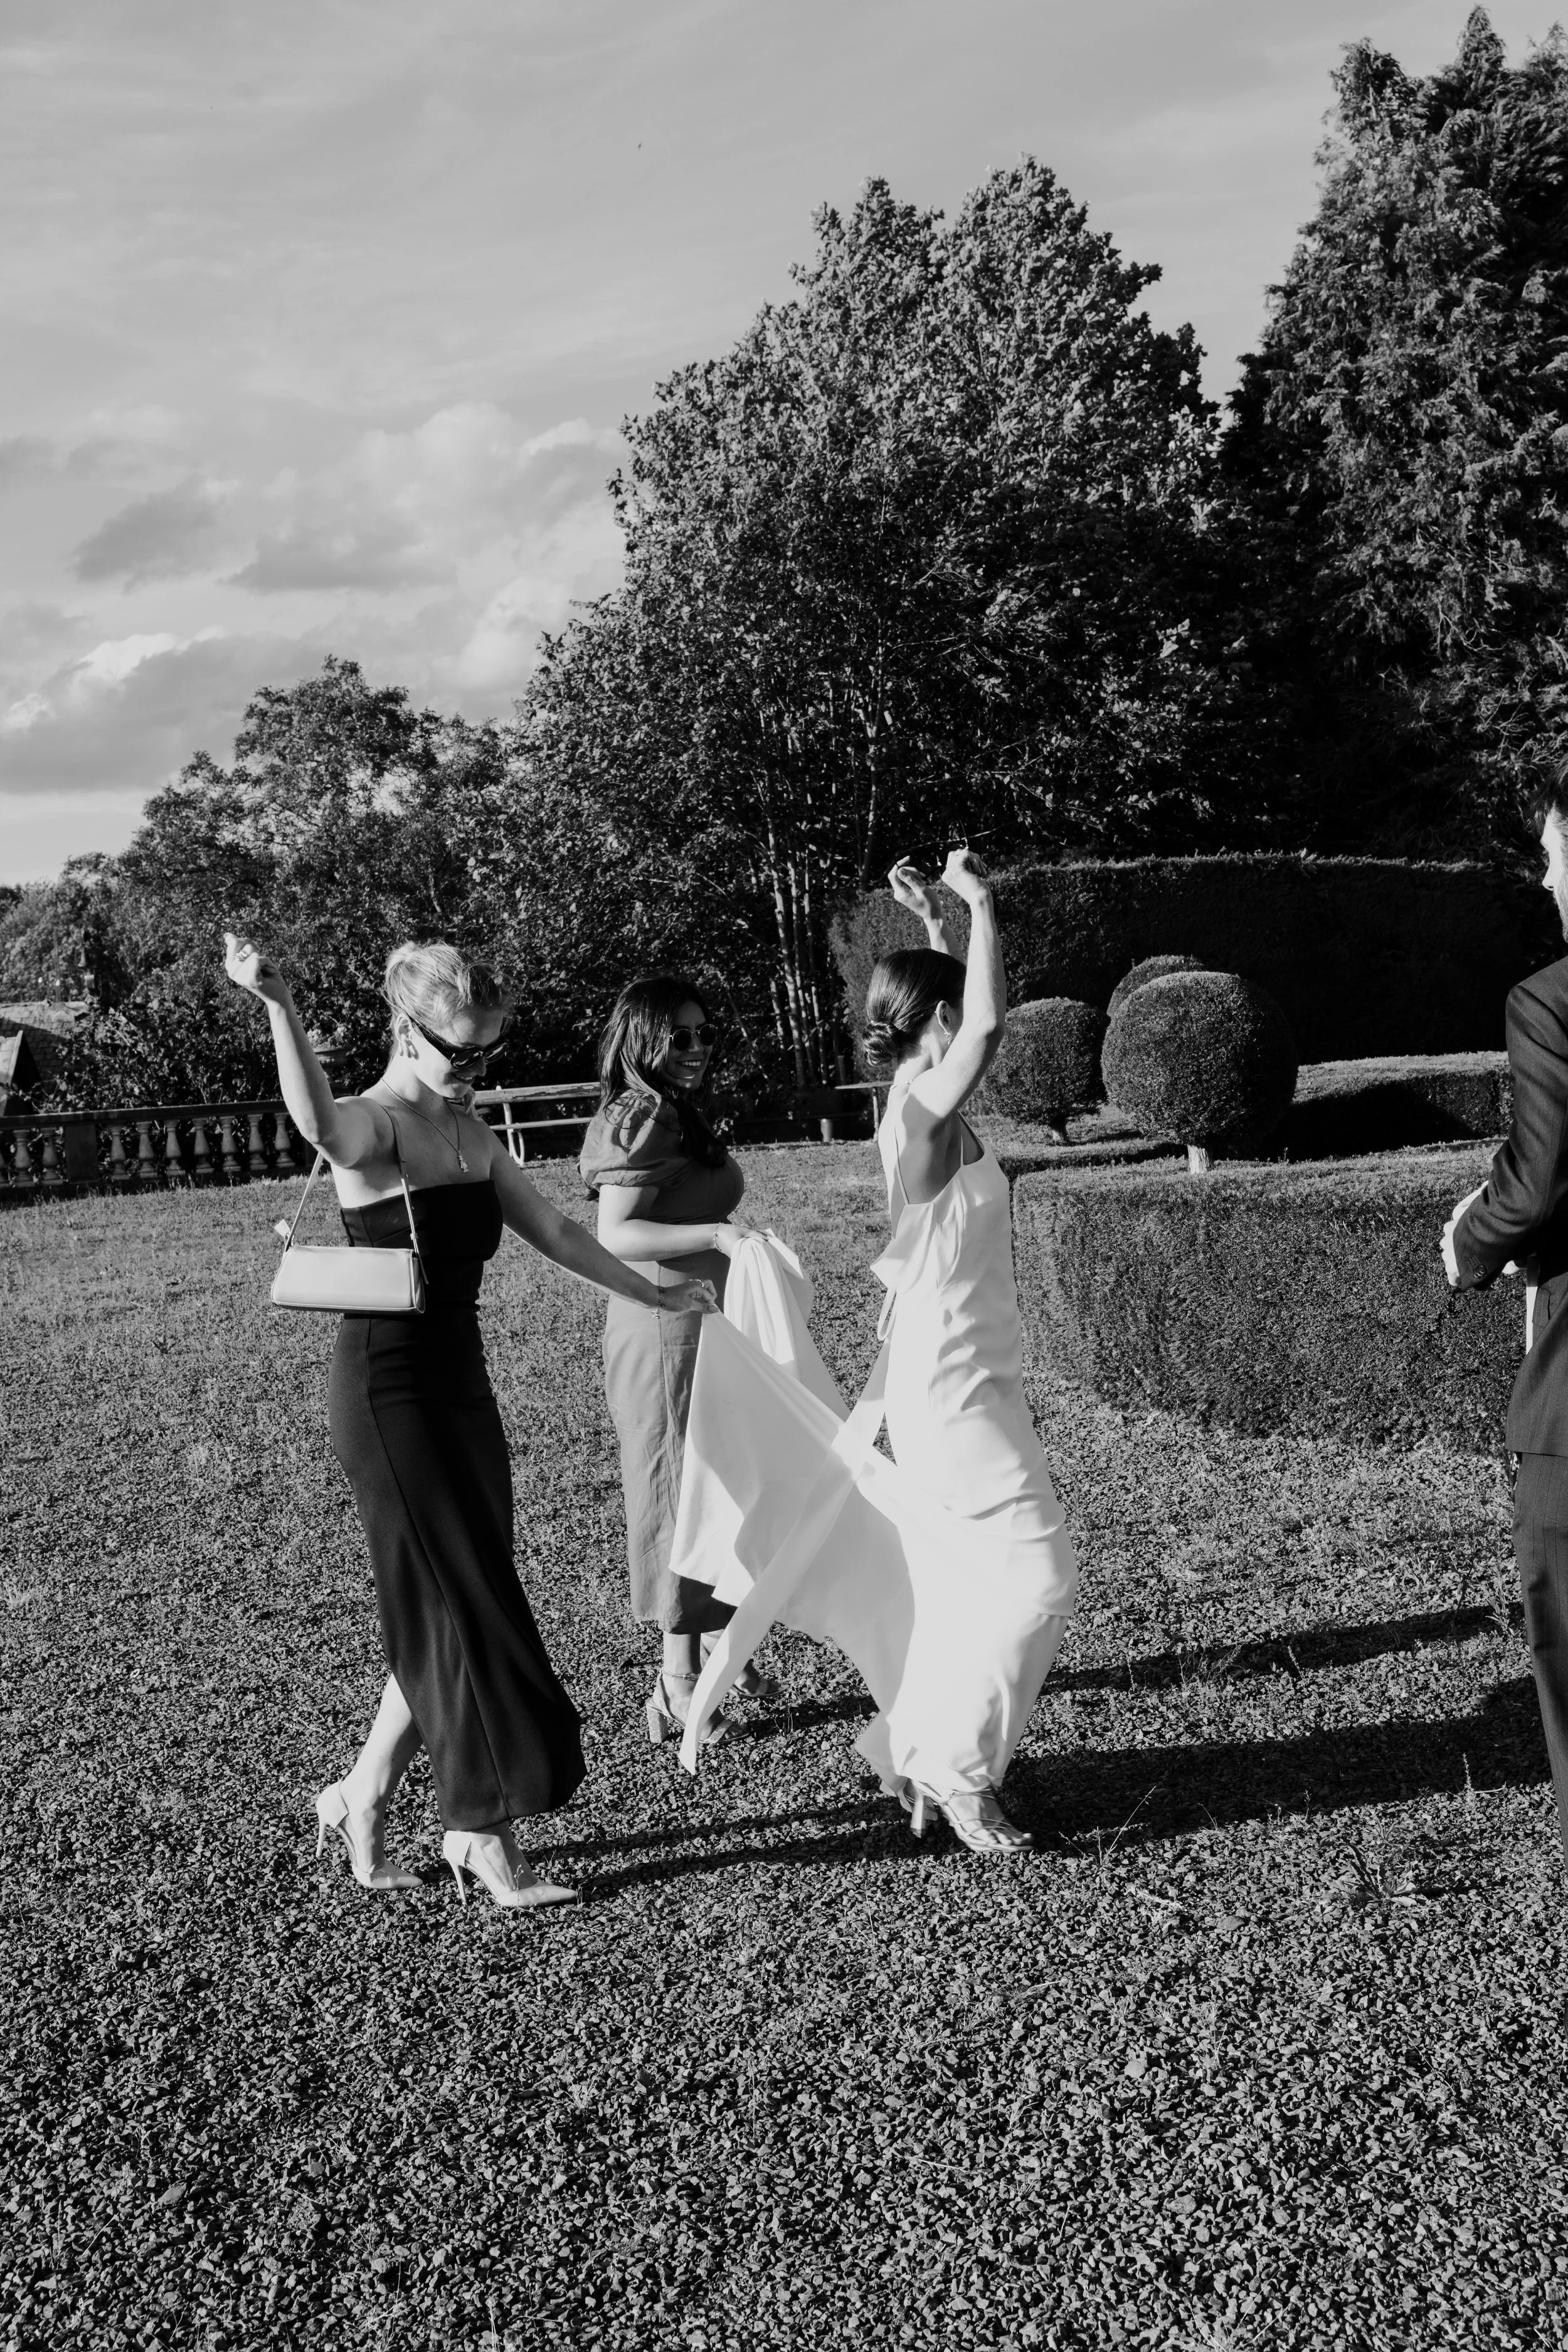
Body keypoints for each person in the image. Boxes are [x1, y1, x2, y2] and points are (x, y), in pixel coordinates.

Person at [224, 933, 716, 1910]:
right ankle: (478, 1830)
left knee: (461, 1589)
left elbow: (562, 1232)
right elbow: (317, 1123)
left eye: (490, 1052)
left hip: (462, 1379)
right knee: (458, 1601)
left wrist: (660, 1297)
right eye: (462, 1051)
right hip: (386, 1388)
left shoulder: (470, 1130)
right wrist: (279, 1003)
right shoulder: (377, 1124)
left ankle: (361, 1793)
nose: (476, 1070)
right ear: (408, 1029)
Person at [864, 849, 1079, 1852]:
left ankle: (920, 1752)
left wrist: (937, 930)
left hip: (964, 1369)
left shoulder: (916, 1102)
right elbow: (983, 1021)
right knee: (1039, 1577)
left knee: (968, 1581)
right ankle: (953, 1768)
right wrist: (982, 899)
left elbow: (958, 1013)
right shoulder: (924, 1113)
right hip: (952, 1383)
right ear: (938, 1026)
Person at [580, 975, 762, 1744]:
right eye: (677, 1036)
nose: (695, 1048)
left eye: (702, 1032)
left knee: (719, 1478)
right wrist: (721, 1237)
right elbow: (616, 1235)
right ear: (641, 1040)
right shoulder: (640, 1112)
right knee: (676, 1493)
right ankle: (677, 1679)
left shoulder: (670, 1109)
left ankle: (718, 1642)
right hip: (663, 1329)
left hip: (697, 1320)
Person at [1443, 777, 1568, 1863]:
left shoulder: (1552, 999)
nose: (1542, 874)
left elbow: (1540, 1186)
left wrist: (1469, 1238)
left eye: (1550, 849)